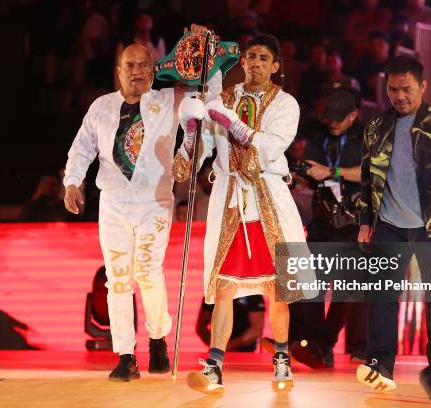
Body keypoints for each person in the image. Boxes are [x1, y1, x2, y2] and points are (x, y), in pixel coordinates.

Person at [63, 24, 221, 382]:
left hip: (155, 201)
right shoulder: (101, 107)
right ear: (118, 71)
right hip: (114, 202)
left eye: (142, 66)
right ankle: (125, 355)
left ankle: (158, 338)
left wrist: (205, 47)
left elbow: (208, 97)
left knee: (148, 272)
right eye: (129, 66)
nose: (136, 72)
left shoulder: (169, 100)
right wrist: (72, 182)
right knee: (118, 279)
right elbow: (82, 148)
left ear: (153, 70)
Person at [173, 33, 315, 395]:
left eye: (264, 58)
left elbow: (271, 146)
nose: (255, 63)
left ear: (275, 66)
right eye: (251, 56)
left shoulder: (286, 104)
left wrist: (233, 123)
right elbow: (203, 147)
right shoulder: (222, 100)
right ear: (243, 61)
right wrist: (190, 139)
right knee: (224, 286)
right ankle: (215, 366)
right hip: (230, 197)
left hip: (268, 195)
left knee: (278, 287)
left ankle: (281, 357)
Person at [356, 55, 431, 392]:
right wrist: (366, 220)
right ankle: (380, 365)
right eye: (393, 89)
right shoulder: (377, 127)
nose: (399, 96)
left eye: (406, 89)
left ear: (423, 86)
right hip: (390, 223)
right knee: (380, 295)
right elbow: (367, 179)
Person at [289, 89, 367, 368]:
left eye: (339, 118)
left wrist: (331, 172)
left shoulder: (365, 139)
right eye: (329, 118)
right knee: (310, 283)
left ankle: (323, 344)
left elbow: (369, 173)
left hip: (352, 222)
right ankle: (316, 345)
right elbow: (311, 174)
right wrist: (297, 178)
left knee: (346, 289)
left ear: (353, 116)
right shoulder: (319, 136)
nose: (332, 123)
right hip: (322, 221)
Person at [196, 295, 265, 352]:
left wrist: (227, 347)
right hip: (218, 352)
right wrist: (215, 347)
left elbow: (257, 330)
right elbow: (201, 325)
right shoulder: (214, 291)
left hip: (244, 353)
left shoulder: (253, 293)